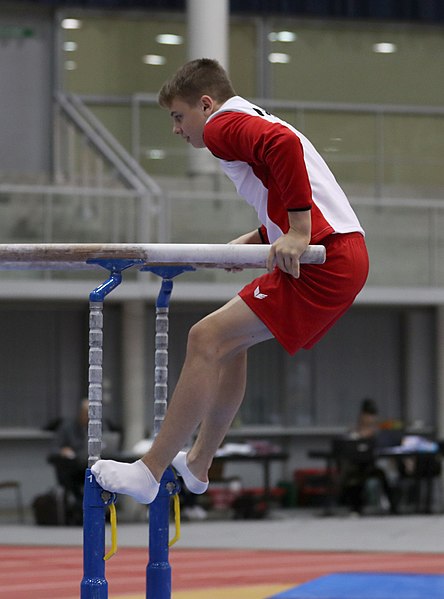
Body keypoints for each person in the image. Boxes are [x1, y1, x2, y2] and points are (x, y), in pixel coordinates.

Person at [91, 58, 369, 504]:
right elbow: (293, 183)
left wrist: (296, 232)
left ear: (206, 104)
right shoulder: (250, 117)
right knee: (228, 347)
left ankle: (150, 468)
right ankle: (198, 463)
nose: (177, 130)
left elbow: (283, 149)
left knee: (206, 338)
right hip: (341, 249)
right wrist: (263, 235)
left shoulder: (222, 127)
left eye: (179, 117)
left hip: (326, 256)